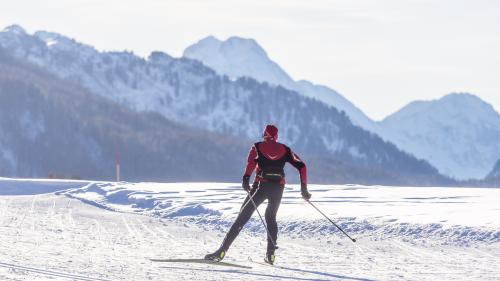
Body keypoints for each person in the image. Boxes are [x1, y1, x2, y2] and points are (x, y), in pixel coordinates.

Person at [204, 124, 311, 265]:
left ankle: (222, 251)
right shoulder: (285, 149)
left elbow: (250, 164)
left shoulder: (257, 147)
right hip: (278, 188)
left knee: (242, 217)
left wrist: (246, 178)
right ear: (276, 136)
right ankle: (271, 255)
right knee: (271, 217)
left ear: (264, 134)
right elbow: (302, 166)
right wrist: (303, 188)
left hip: (261, 186)